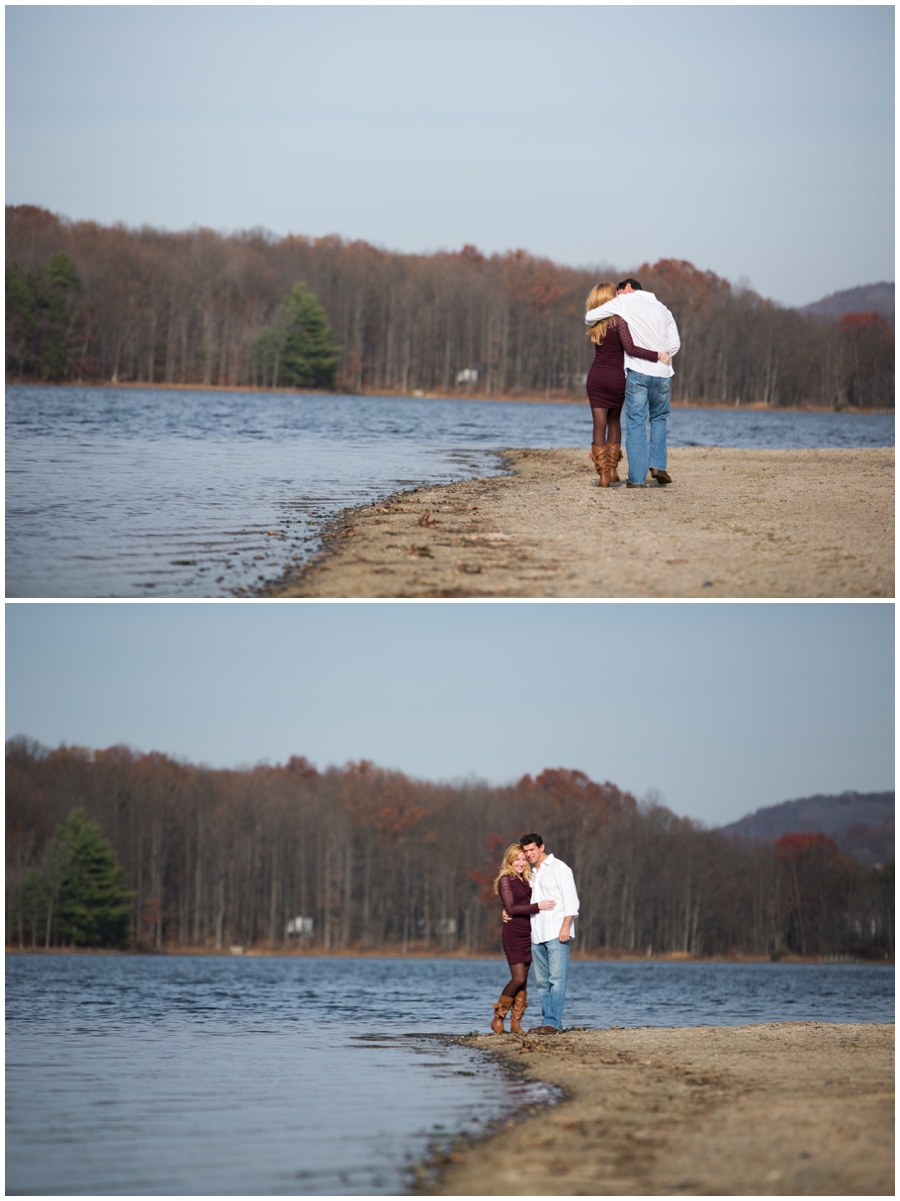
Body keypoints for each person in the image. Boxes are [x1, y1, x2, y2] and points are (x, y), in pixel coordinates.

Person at [585, 278, 680, 487]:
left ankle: (619, 478)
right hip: (641, 375)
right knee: (644, 420)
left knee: (617, 424)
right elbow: (668, 345)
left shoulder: (605, 319)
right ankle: (640, 467)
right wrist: (661, 355)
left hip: (613, 375)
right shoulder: (654, 311)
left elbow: (590, 318)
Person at [490, 843, 556, 1034]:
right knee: (517, 978)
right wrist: (538, 906)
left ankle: (515, 1023)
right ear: (509, 861)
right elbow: (510, 908)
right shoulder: (506, 879)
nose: (520, 863)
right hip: (513, 934)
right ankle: (497, 1019)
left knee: (524, 980)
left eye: (522, 859)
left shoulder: (527, 879)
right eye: (516, 859)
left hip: (529, 933)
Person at [519, 833, 579, 1033]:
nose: (528, 854)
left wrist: (565, 927)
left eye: (532, 850)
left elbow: (572, 901)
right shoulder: (530, 873)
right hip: (536, 935)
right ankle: (548, 1022)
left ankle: (553, 1023)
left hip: (556, 933)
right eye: (525, 851)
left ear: (541, 847)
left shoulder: (559, 868)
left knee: (556, 980)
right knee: (542, 984)